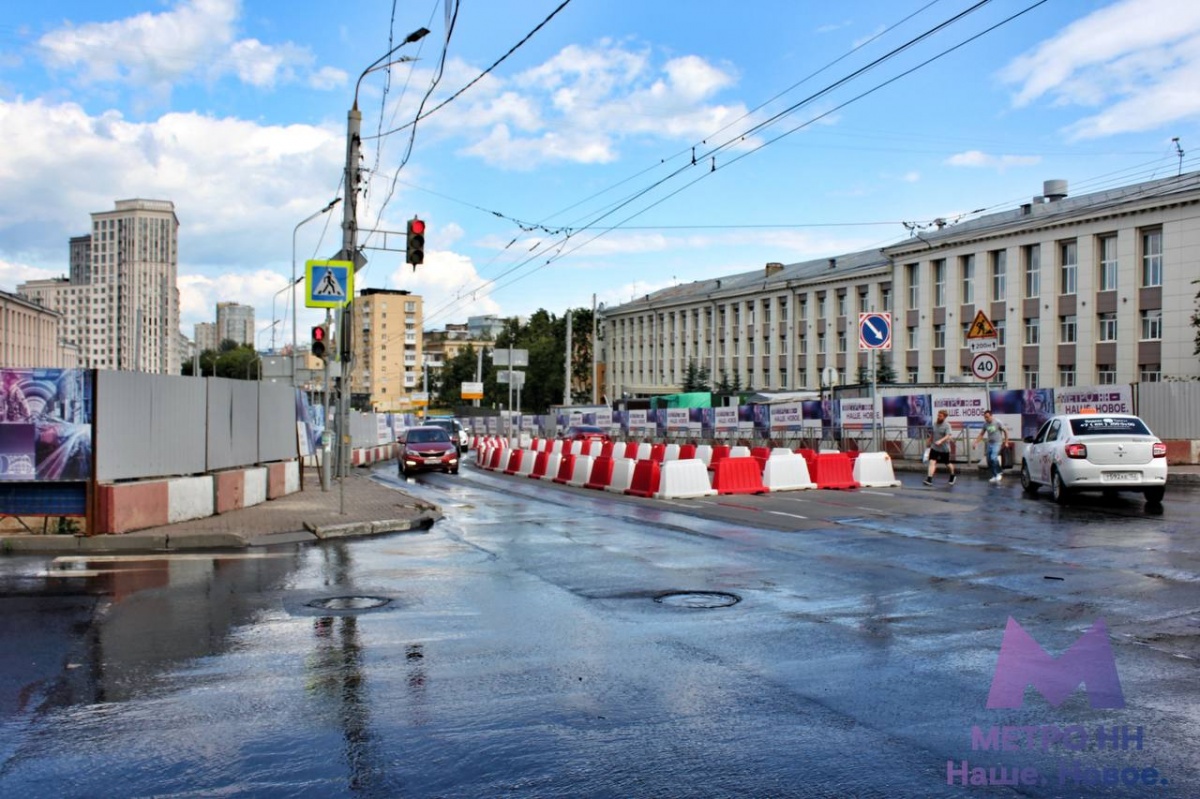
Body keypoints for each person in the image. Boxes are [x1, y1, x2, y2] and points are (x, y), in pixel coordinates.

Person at [975, 410, 1010, 483]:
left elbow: (1006, 431)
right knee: (989, 460)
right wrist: (976, 442)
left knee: (993, 457)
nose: (986, 419)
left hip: (997, 443)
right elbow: (981, 434)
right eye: (985, 417)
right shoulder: (985, 424)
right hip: (989, 443)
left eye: (987, 417)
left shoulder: (997, 422)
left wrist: (1006, 442)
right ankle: (994, 475)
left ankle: (999, 472)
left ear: (991, 416)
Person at [924, 409, 956, 486]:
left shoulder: (947, 425)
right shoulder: (935, 424)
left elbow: (948, 435)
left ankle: (952, 475)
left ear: (944, 417)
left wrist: (941, 441)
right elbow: (932, 434)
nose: (938, 417)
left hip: (944, 449)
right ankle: (929, 479)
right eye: (938, 415)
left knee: (947, 464)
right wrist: (929, 441)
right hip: (934, 447)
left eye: (940, 416)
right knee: (932, 462)